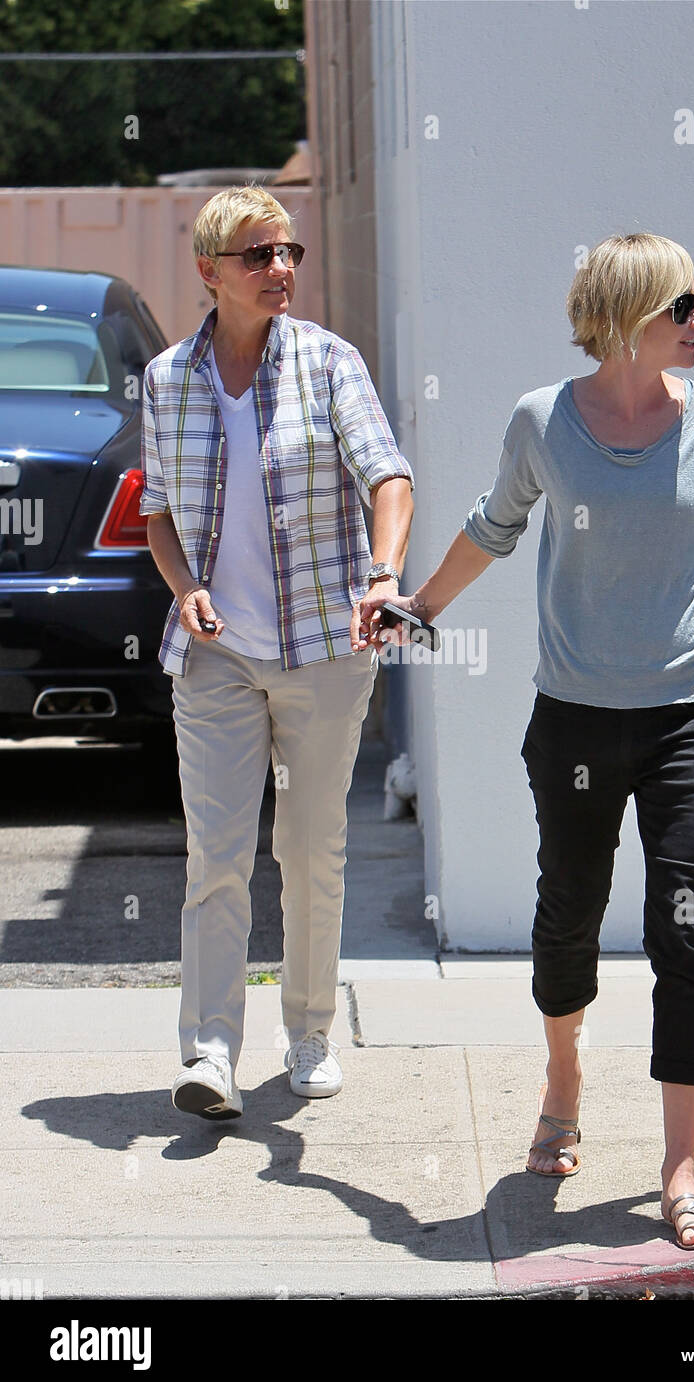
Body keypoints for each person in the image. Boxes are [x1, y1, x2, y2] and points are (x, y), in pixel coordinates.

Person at [357, 232, 694, 1250]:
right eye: (683, 303)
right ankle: (563, 1072)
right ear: (629, 315)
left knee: (686, 930)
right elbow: (494, 526)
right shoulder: (542, 419)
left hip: (689, 716)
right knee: (568, 913)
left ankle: (678, 1168)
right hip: (574, 718)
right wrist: (414, 605)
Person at [140, 185, 414, 1119]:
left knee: (309, 848)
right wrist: (188, 590)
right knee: (215, 856)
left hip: (323, 646)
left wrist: (382, 575)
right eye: (259, 256)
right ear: (209, 271)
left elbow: (389, 476)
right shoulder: (169, 378)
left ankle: (307, 1034)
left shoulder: (331, 363)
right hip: (217, 654)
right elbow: (159, 519)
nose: (281, 269)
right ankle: (210, 1053)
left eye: (289, 251)